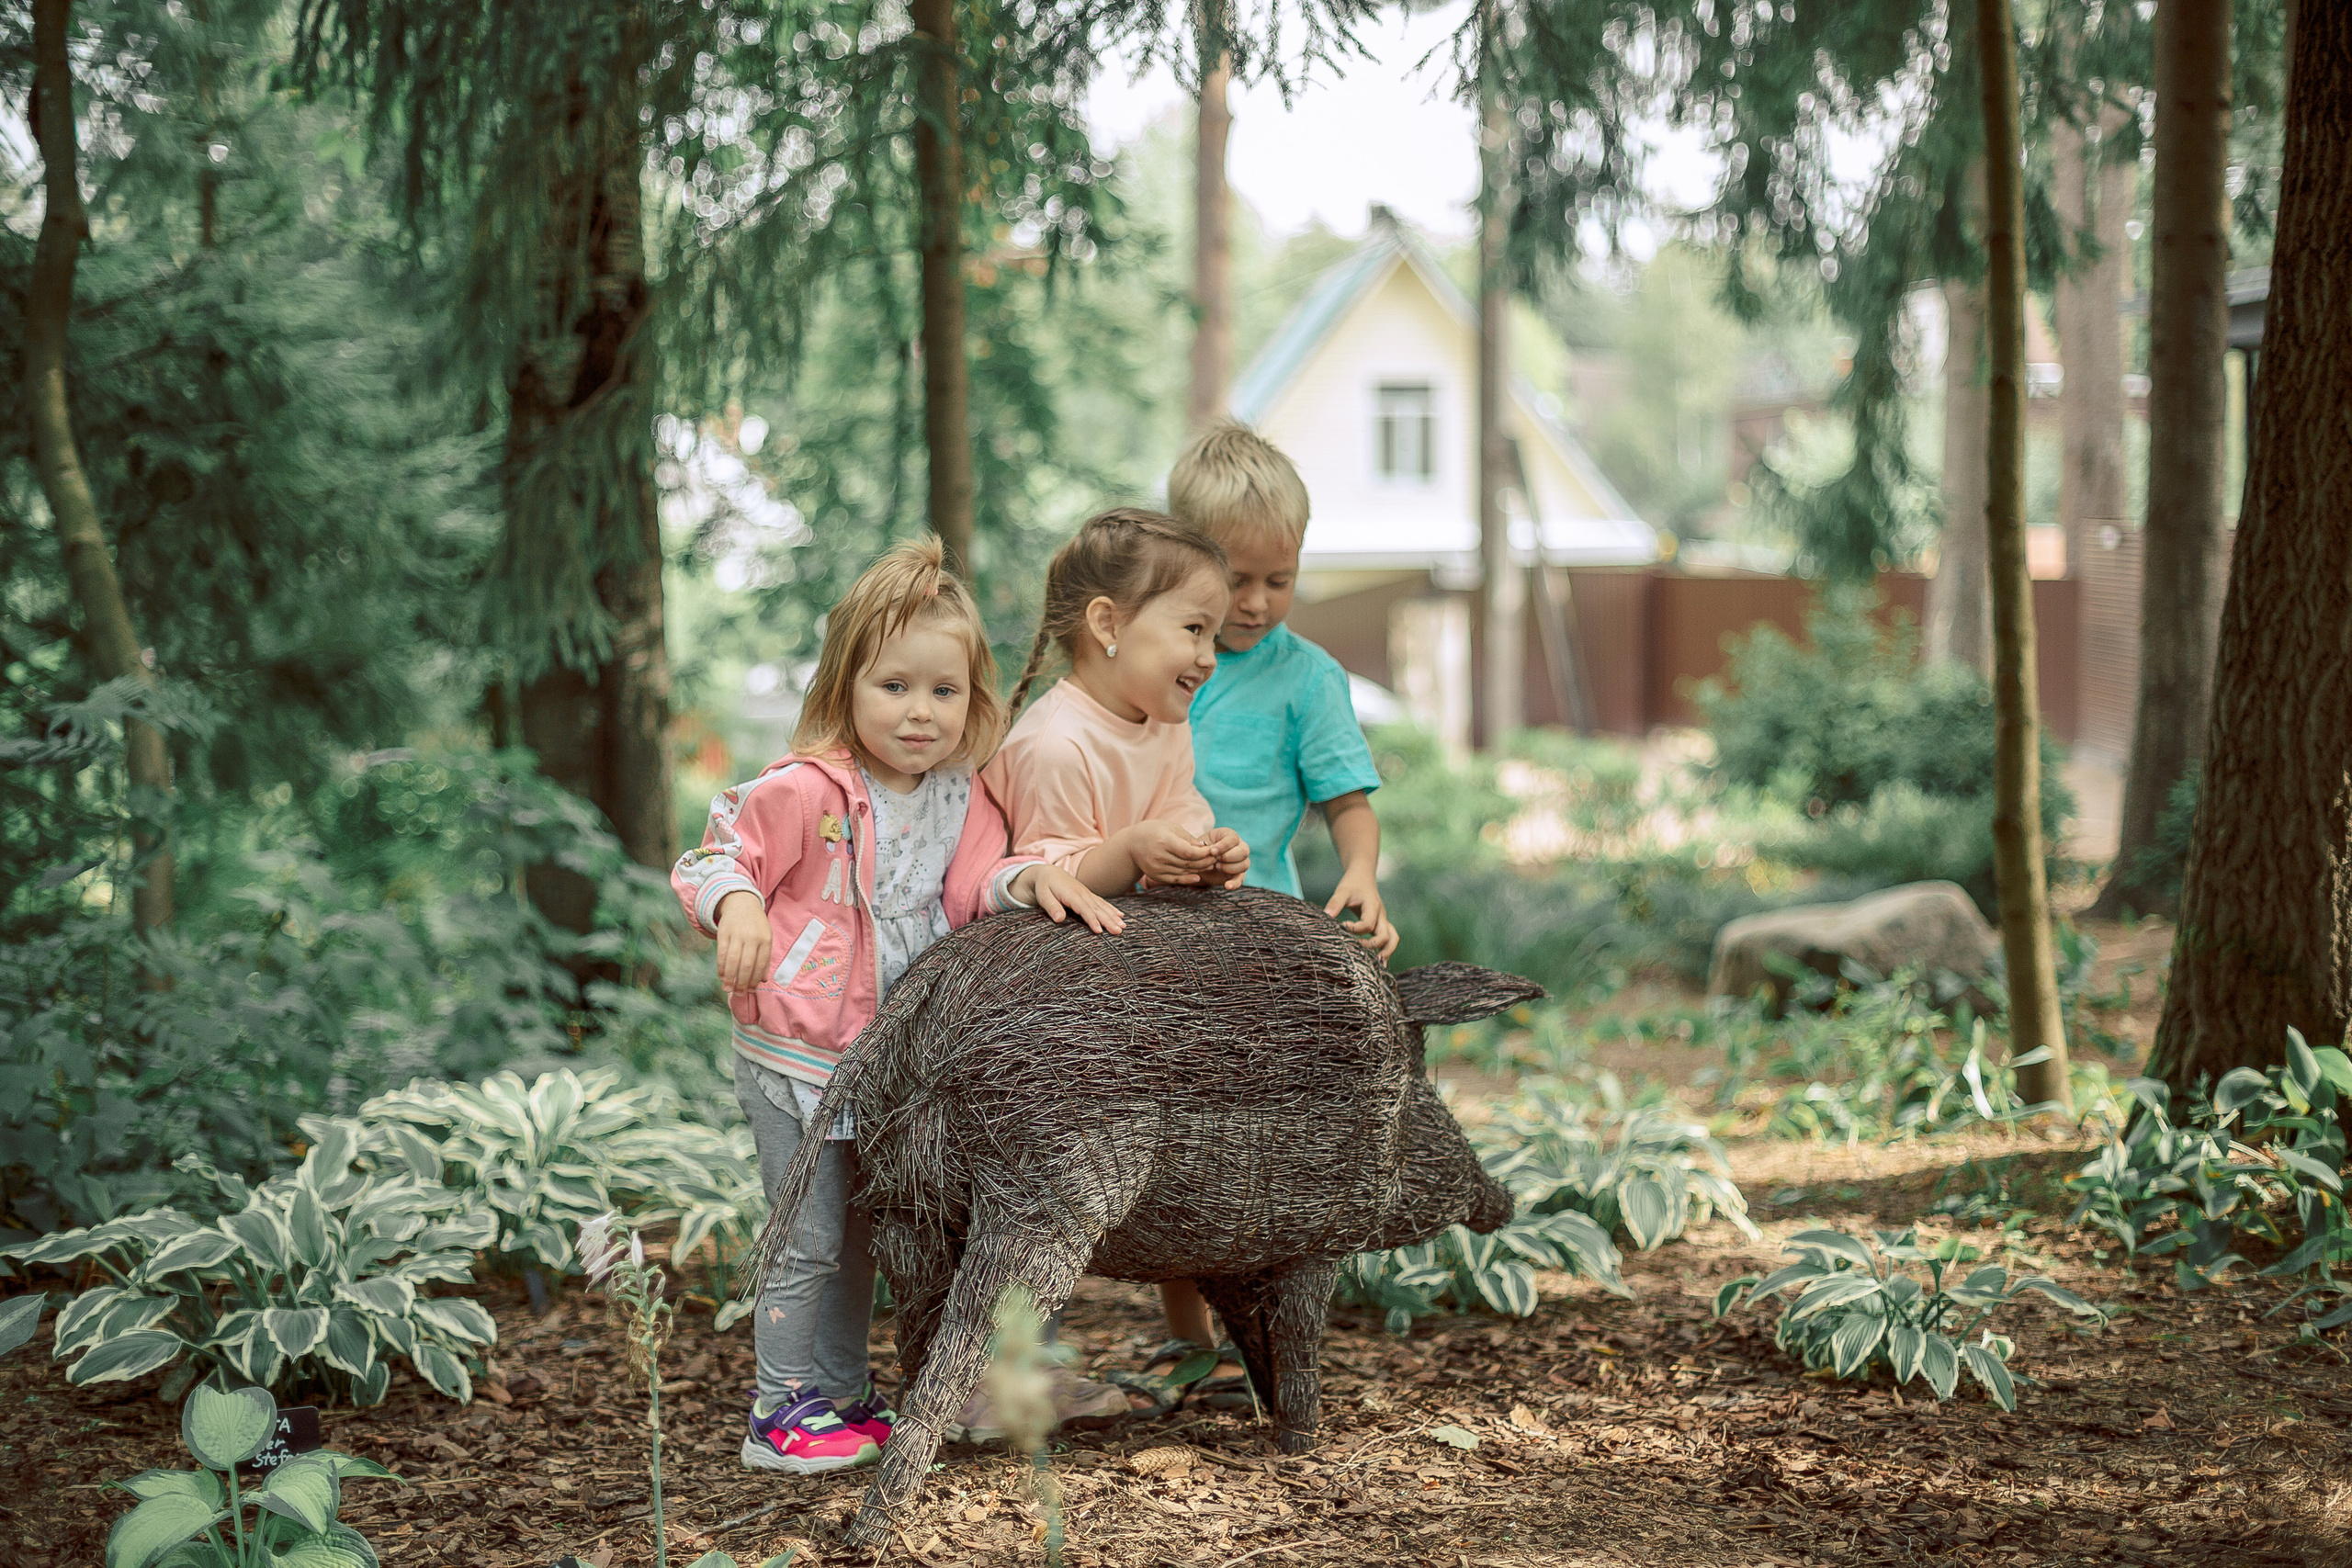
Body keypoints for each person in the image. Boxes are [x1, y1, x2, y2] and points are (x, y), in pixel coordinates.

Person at [672, 538, 1123, 1475]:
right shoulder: (807, 789)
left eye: (943, 691)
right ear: (846, 689)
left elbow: (971, 889)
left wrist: (1029, 876)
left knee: (863, 1243)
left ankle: (836, 1394)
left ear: (971, 699)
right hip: (796, 1055)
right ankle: (776, 1410)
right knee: (807, 1237)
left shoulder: (962, 797)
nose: (920, 712)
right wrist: (739, 905)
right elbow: (714, 856)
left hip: (887, 1063)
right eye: (893, 687)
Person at [977, 506, 1252, 1421]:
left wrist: (1207, 853)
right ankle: (1014, 1361)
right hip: (1059, 999)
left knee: (1188, 1157)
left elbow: (1178, 816)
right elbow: (1048, 879)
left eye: (1211, 634)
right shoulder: (1056, 741)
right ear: (1106, 624)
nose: (1209, 654)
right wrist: (1133, 850)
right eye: (1192, 628)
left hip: (1140, 982)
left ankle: (1197, 1341)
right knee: (1056, 1183)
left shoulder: (1159, 723)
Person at [1168, 423, 1396, 958]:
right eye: (1237, 580)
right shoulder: (1146, 660)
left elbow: (1347, 803)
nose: (1256, 604)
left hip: (1260, 932)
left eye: (1278, 581)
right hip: (1143, 916)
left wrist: (1361, 874)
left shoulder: (1309, 680)